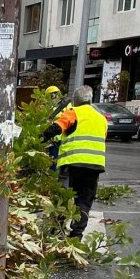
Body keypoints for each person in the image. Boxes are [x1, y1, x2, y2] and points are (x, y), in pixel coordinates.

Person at [43, 85, 108, 240]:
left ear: (76, 101)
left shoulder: (72, 113)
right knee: (85, 200)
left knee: (63, 196)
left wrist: (40, 138)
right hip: (94, 165)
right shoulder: (101, 118)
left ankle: (56, 228)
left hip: (71, 164)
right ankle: (76, 234)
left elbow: (55, 129)